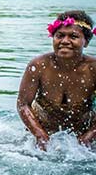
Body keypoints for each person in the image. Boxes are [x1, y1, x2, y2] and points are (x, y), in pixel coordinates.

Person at [17, 10, 96, 149]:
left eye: (73, 36)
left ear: (86, 42)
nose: (65, 41)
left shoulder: (93, 69)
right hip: (43, 133)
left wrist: (88, 137)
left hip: (82, 135)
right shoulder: (38, 66)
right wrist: (40, 135)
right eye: (59, 36)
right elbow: (23, 104)